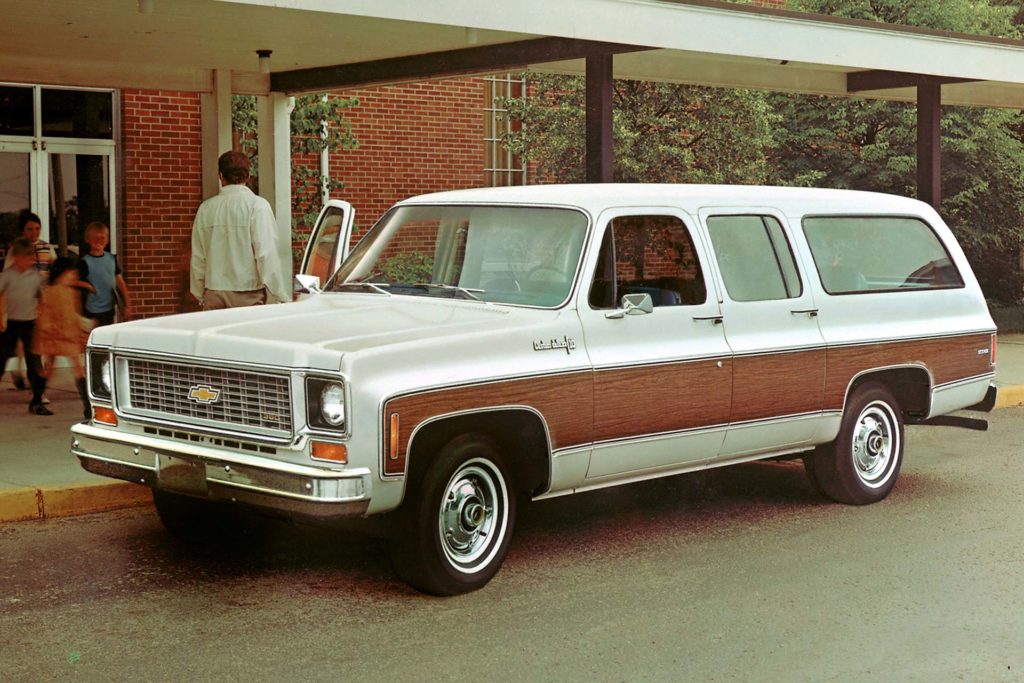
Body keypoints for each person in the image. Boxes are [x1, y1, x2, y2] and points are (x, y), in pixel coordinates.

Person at [190, 150, 289, 310]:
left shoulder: (206, 209)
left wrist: (199, 293)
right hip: (248, 293)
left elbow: (198, 257)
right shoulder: (258, 206)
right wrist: (280, 294)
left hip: (214, 291)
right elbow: (266, 253)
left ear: (221, 176)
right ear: (248, 176)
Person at [33, 257, 93, 419]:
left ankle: (87, 408)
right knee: (51, 368)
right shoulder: (51, 293)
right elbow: (45, 316)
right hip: (56, 335)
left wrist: (82, 327)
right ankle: (37, 400)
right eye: (71, 273)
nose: (73, 276)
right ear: (62, 273)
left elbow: (72, 315)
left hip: (66, 336)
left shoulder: (70, 293)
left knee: (71, 368)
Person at [4, 210, 56, 394]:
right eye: (29, 229)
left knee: (35, 345)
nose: (34, 233)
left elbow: (53, 268)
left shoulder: (46, 247)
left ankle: (35, 387)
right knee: (19, 344)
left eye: (37, 229)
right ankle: (19, 370)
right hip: (21, 302)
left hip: (40, 300)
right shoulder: (16, 249)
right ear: (23, 231)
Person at [0, 237, 50, 415]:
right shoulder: (7, 275)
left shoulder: (34, 276)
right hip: (12, 323)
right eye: (25, 257)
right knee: (1, 359)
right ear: (16, 257)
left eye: (31, 258)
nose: (28, 261)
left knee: (34, 363)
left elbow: (41, 297)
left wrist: (42, 316)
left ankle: (37, 401)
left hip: (30, 323)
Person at [78, 221, 132, 327]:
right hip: (91, 310)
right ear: (87, 239)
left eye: (102, 238)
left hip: (109, 309)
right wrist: (88, 286)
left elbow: (120, 282)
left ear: (107, 240)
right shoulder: (84, 262)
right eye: (95, 238)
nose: (99, 241)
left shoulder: (111, 259)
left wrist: (127, 305)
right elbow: (76, 283)